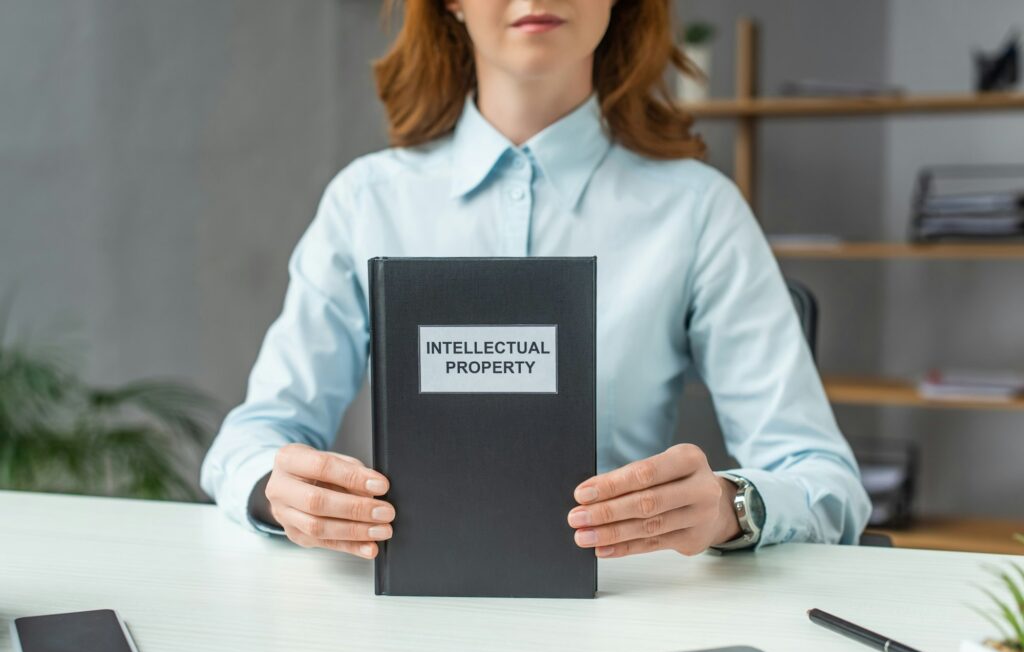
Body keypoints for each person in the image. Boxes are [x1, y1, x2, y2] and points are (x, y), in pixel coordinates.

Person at [201, 0, 871, 562]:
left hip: (628, 616)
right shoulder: (365, 202)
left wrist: (731, 506)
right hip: (405, 619)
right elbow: (251, 439)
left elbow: (825, 480)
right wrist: (277, 491)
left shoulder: (700, 212)